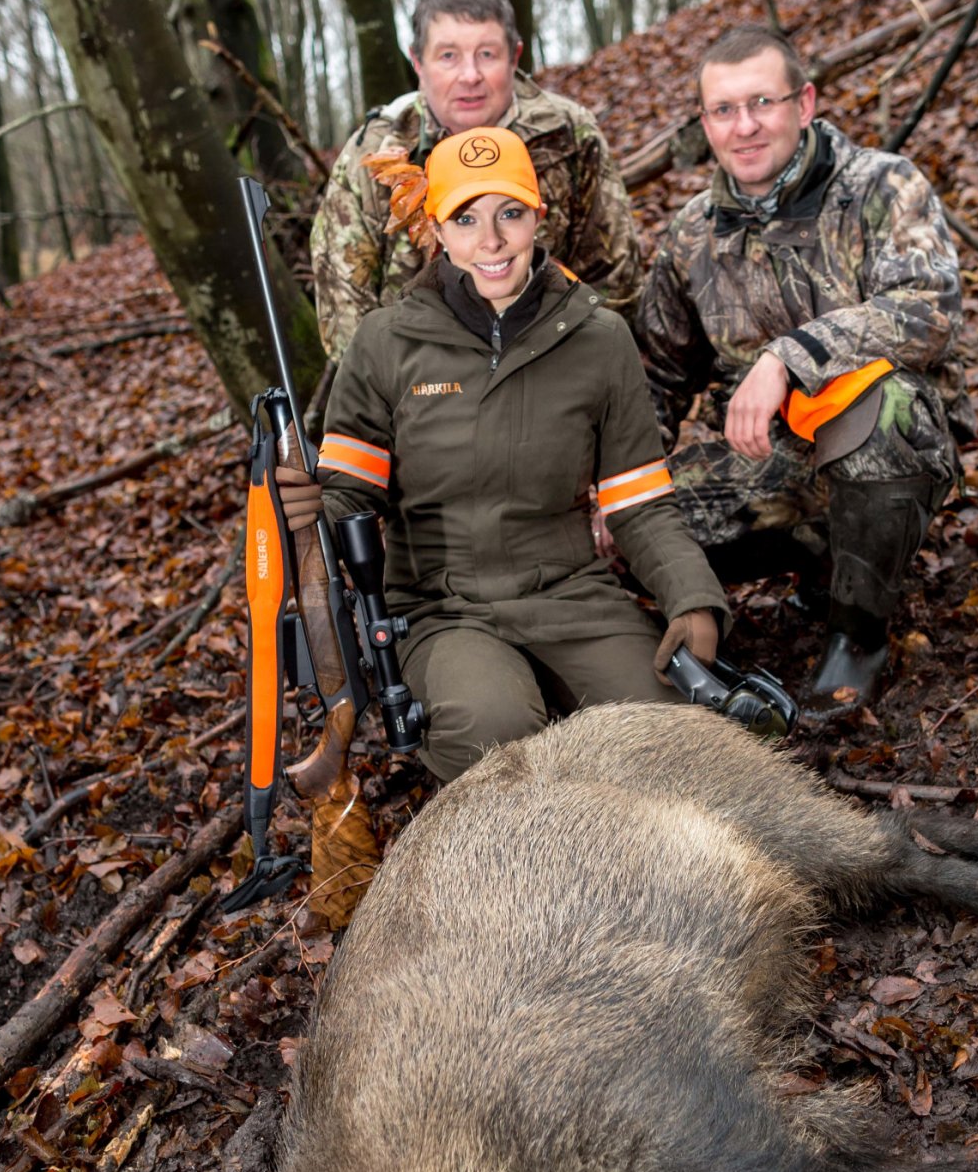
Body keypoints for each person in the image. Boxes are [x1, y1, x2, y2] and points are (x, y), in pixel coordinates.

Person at [278, 127, 726, 784]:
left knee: (677, 732)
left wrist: (692, 598)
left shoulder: (599, 339)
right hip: (440, 606)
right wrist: (303, 506)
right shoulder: (384, 344)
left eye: (509, 214)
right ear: (437, 228)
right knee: (495, 736)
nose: (490, 241)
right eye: (466, 218)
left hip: (572, 593)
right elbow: (349, 496)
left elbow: (641, 503)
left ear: (537, 217)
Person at [636, 26, 976, 713]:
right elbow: (656, 377)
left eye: (761, 101)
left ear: (805, 102)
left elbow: (928, 308)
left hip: (885, 448)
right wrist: (610, 486)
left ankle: (856, 634)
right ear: (704, 124)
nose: (744, 126)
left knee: (887, 411)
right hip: (766, 461)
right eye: (723, 110)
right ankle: (793, 580)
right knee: (630, 525)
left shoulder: (881, 185)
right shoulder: (694, 231)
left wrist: (787, 357)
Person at [311, 0, 642, 362]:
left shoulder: (568, 135)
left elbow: (615, 281)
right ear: (417, 61)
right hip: (415, 387)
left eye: (487, 54)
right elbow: (346, 310)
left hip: (553, 375)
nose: (470, 76)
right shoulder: (375, 152)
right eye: (448, 56)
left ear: (515, 55)